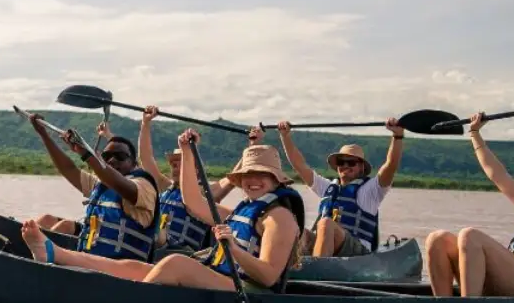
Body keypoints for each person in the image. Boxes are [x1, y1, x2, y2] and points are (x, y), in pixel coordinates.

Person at [19, 130, 303, 292]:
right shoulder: (246, 209)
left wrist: (233, 248)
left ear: (276, 180)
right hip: (224, 278)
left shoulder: (280, 218)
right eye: (248, 175)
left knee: (175, 264)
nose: (253, 180)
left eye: (261, 175)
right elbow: (192, 202)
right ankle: (55, 254)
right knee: (135, 267)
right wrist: (188, 152)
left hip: (249, 291)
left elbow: (267, 277)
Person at [425, 113, 514, 297]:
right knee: (437, 240)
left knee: (470, 236)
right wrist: (475, 133)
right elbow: (498, 175)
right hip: (510, 277)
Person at [26, 113, 158, 260]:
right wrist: (43, 134)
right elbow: (69, 169)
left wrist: (85, 153)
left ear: (134, 164)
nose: (112, 160)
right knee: (43, 222)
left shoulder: (144, 186)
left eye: (120, 156)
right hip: (91, 263)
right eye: (107, 156)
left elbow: (120, 184)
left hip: (121, 271)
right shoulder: (100, 185)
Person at [276, 118, 405, 257]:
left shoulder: (371, 190)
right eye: (341, 162)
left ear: (361, 167)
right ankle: (284, 266)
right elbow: (299, 165)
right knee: (294, 228)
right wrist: (285, 137)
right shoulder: (328, 187)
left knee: (326, 223)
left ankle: (319, 267)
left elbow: (390, 166)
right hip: (328, 243)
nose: (345, 166)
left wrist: (397, 136)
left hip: (358, 250)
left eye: (351, 163)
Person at [137, 104, 244, 256]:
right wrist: (146, 123)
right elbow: (146, 159)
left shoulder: (205, 193)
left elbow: (233, 177)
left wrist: (252, 146)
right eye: (173, 162)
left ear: (195, 169)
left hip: (184, 254)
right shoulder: (164, 186)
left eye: (180, 161)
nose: (174, 165)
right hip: (153, 249)